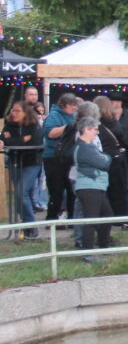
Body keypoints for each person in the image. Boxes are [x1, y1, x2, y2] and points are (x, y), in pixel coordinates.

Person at [73, 117, 113, 263]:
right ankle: (88, 253)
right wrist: (105, 159)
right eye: (95, 129)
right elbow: (104, 162)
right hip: (89, 187)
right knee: (91, 220)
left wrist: (105, 158)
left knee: (107, 215)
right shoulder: (84, 148)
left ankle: (103, 246)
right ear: (87, 129)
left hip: (96, 186)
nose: (97, 132)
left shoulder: (89, 146)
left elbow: (104, 159)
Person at [1, 102, 42, 237]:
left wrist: (11, 140)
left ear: (26, 112)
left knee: (21, 191)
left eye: (17, 111)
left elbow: (35, 142)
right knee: (21, 196)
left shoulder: (34, 125)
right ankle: (26, 226)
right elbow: (3, 141)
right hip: (15, 162)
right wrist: (21, 140)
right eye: (13, 110)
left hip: (31, 163)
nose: (14, 113)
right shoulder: (8, 125)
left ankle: (30, 226)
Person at [42, 92, 78, 221]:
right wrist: (68, 127)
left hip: (68, 158)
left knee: (71, 190)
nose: (74, 108)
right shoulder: (54, 116)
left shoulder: (73, 116)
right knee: (56, 190)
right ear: (63, 105)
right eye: (72, 105)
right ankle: (51, 218)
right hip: (53, 157)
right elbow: (50, 133)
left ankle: (72, 219)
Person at [94, 96, 128, 221]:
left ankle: (105, 215)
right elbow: (122, 139)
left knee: (103, 189)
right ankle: (121, 217)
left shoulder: (95, 124)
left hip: (101, 157)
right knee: (118, 190)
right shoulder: (114, 122)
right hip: (115, 157)